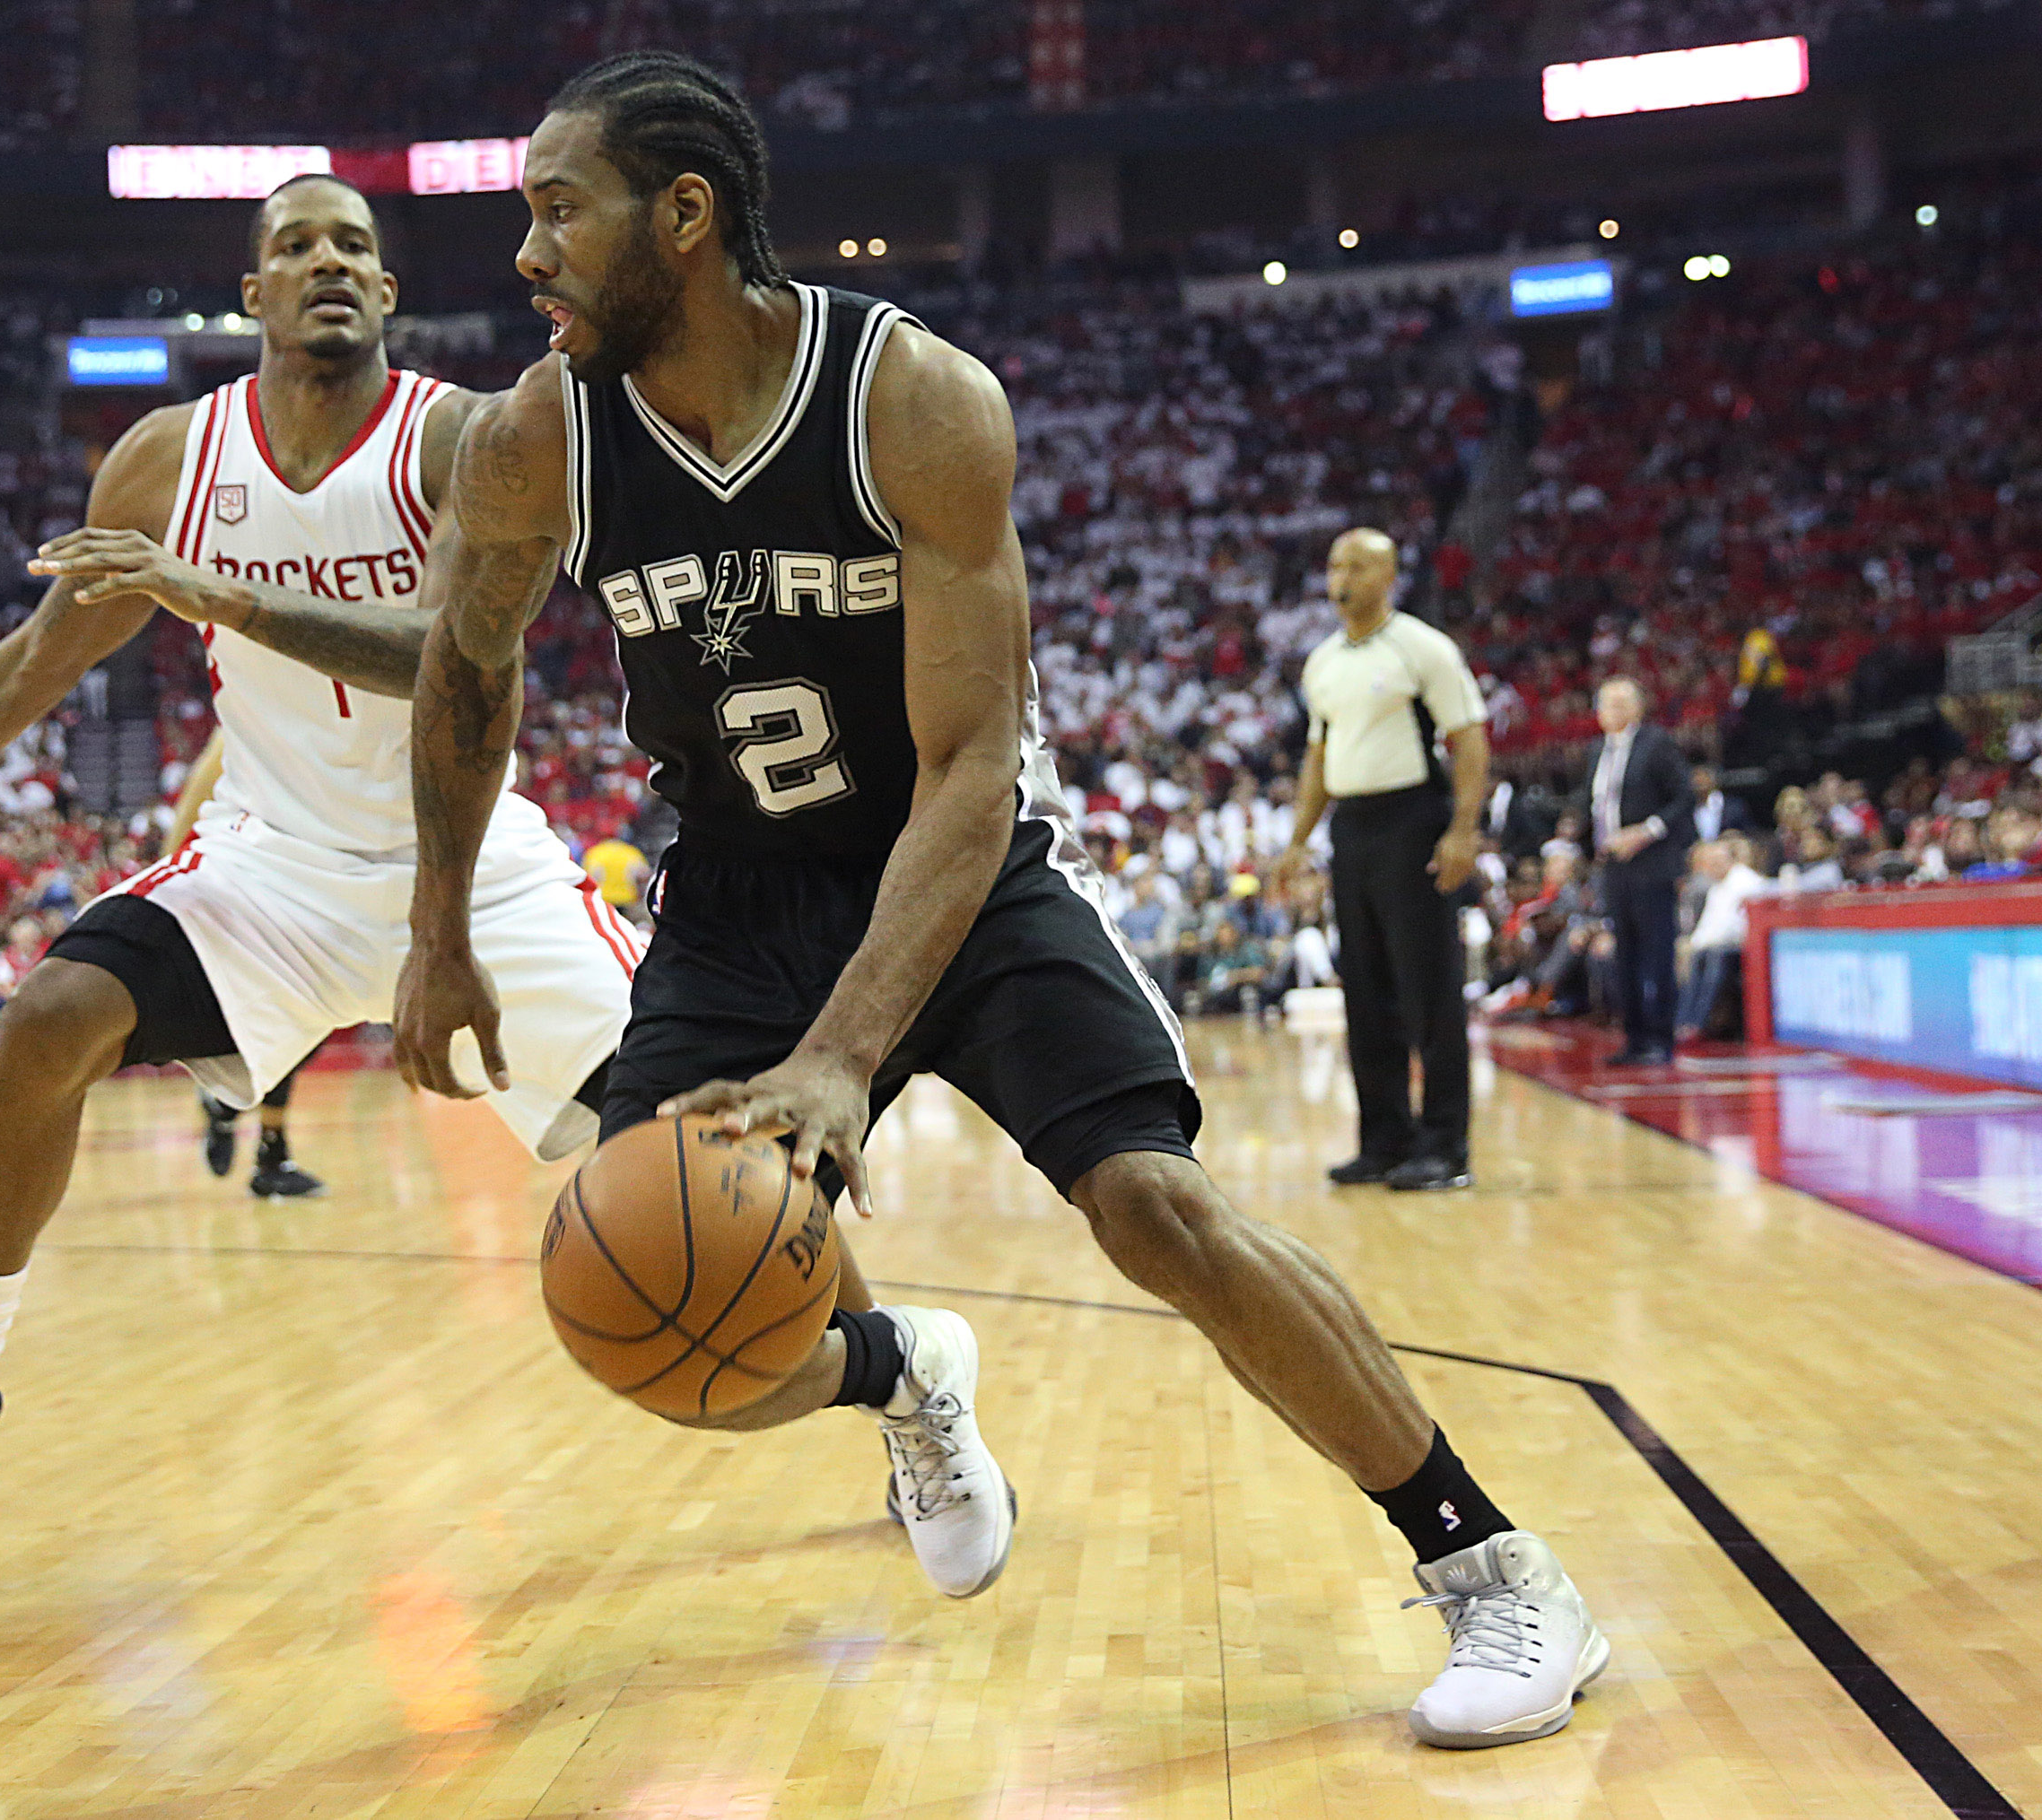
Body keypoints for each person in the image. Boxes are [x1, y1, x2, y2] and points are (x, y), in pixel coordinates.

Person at [391, 52, 1604, 1751]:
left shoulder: (911, 398)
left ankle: (1498, 1567)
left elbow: (970, 768)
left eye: (555, 210)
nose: (524, 253)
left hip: (952, 865)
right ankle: (909, 1380)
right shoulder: (539, 438)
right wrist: (437, 926)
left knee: (1152, 1208)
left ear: (685, 215)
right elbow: (462, 673)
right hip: (735, 893)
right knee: (657, 1315)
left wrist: (842, 1058)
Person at [0, 170, 636, 1497]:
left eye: (352, 246)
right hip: (275, 870)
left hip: (473, 872)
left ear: (386, 292)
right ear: (252, 294)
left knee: (713, 1153)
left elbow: (451, 655)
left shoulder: (464, 439)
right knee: (48, 1015)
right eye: (295, 243)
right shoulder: (168, 459)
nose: (327, 260)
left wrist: (222, 599)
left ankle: (901, 1385)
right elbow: (33, 666)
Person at [1271, 529, 1491, 1191]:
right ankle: (1384, 1138)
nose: (1342, 575)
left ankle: (1445, 1145)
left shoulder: (1422, 648)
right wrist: (1298, 839)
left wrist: (1462, 829)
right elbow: (1318, 758)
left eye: (1358, 564)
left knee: (1428, 986)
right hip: (1354, 827)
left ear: (1388, 575)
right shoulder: (1323, 662)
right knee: (1364, 989)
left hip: (1414, 818)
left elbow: (1470, 740)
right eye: (1335, 563)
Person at [167, 727, 328, 1198]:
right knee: (284, 1023)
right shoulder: (243, 729)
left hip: (308, 889)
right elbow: (189, 813)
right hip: (247, 890)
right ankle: (263, 1143)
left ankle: (234, 1114)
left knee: (307, 1024)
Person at [1583, 677, 1692, 1065]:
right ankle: (1634, 1039)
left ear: (1636, 707)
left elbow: (1684, 798)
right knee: (1623, 953)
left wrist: (1645, 832)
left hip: (1651, 864)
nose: (1610, 709)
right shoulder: (1596, 750)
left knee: (1657, 952)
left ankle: (1661, 1039)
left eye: (1619, 701)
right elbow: (1593, 807)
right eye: (1605, 702)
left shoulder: (1656, 744)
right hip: (1613, 867)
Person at [1677, 835, 1762, 1041]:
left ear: (1729, 860)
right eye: (1709, 863)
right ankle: (1682, 1022)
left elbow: (1735, 926)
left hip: (1745, 945)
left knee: (1714, 954)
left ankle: (1698, 1024)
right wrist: (1694, 945)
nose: (1711, 867)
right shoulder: (1716, 888)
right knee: (1698, 954)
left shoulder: (1746, 882)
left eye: (1716, 862)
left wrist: (1702, 944)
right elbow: (1706, 925)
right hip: (1719, 944)